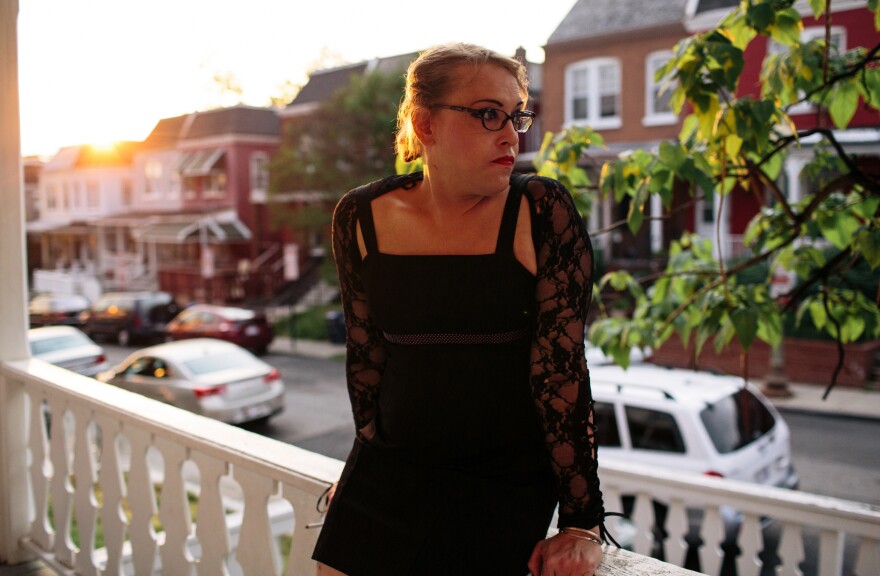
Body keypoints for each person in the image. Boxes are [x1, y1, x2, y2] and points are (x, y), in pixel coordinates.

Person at [313, 42, 605, 576]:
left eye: (516, 116)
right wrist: (363, 471)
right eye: (488, 114)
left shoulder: (541, 210)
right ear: (425, 124)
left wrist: (580, 522)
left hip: (502, 479)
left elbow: (560, 373)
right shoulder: (359, 215)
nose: (512, 134)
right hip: (388, 473)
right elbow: (366, 358)